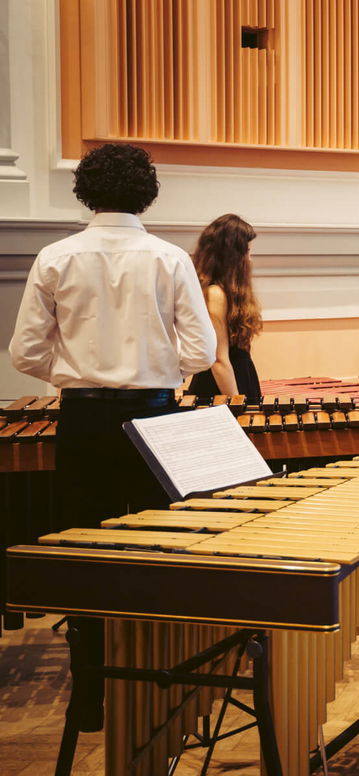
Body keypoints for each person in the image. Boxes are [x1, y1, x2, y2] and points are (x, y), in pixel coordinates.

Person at [8, 142, 215, 732]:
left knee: (84, 551)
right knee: (159, 550)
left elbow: (25, 351)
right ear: (147, 192)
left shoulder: (55, 257)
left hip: (83, 421)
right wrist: (156, 374)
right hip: (154, 417)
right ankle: (158, 685)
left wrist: (75, 377)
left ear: (86, 192)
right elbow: (201, 352)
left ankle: (89, 694)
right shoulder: (170, 259)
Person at [186, 214, 264, 403]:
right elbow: (219, 359)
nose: (250, 260)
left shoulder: (226, 293)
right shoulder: (215, 294)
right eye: (247, 252)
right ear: (233, 256)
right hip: (221, 388)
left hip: (238, 379)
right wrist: (237, 404)